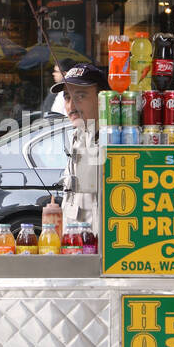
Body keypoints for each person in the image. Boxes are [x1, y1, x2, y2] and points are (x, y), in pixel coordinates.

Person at [49, 62, 108, 227]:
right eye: (67, 97)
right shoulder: (78, 137)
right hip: (76, 248)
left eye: (80, 96)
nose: (71, 106)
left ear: (102, 99)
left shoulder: (116, 142)